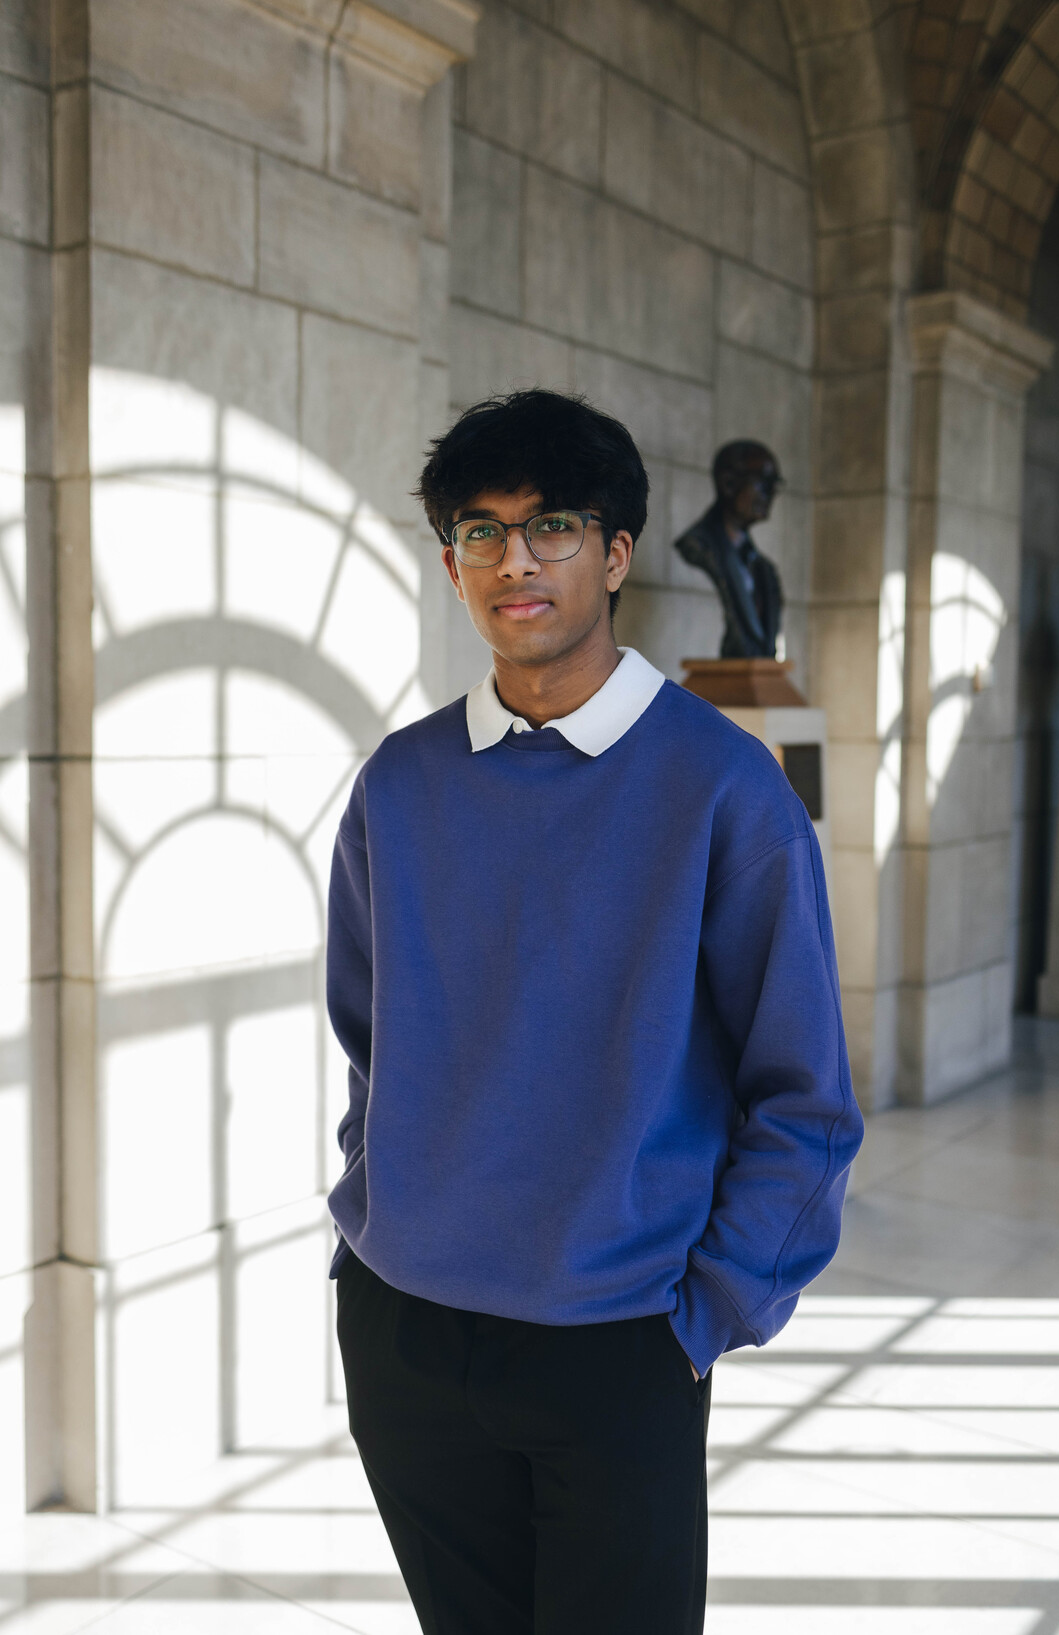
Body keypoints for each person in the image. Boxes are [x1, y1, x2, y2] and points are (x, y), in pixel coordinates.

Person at [325, 388, 864, 1635]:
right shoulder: (399, 786)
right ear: (453, 561)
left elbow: (805, 1100)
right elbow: (370, 1041)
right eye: (478, 529)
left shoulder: (726, 790)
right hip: (405, 1330)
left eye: (551, 524)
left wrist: (703, 1319)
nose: (514, 559)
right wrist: (373, 1235)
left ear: (615, 554)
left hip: (618, 1341)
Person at [673, 440, 785, 659]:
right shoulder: (696, 549)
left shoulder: (764, 569)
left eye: (775, 485)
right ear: (729, 483)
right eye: (763, 483)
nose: (771, 494)